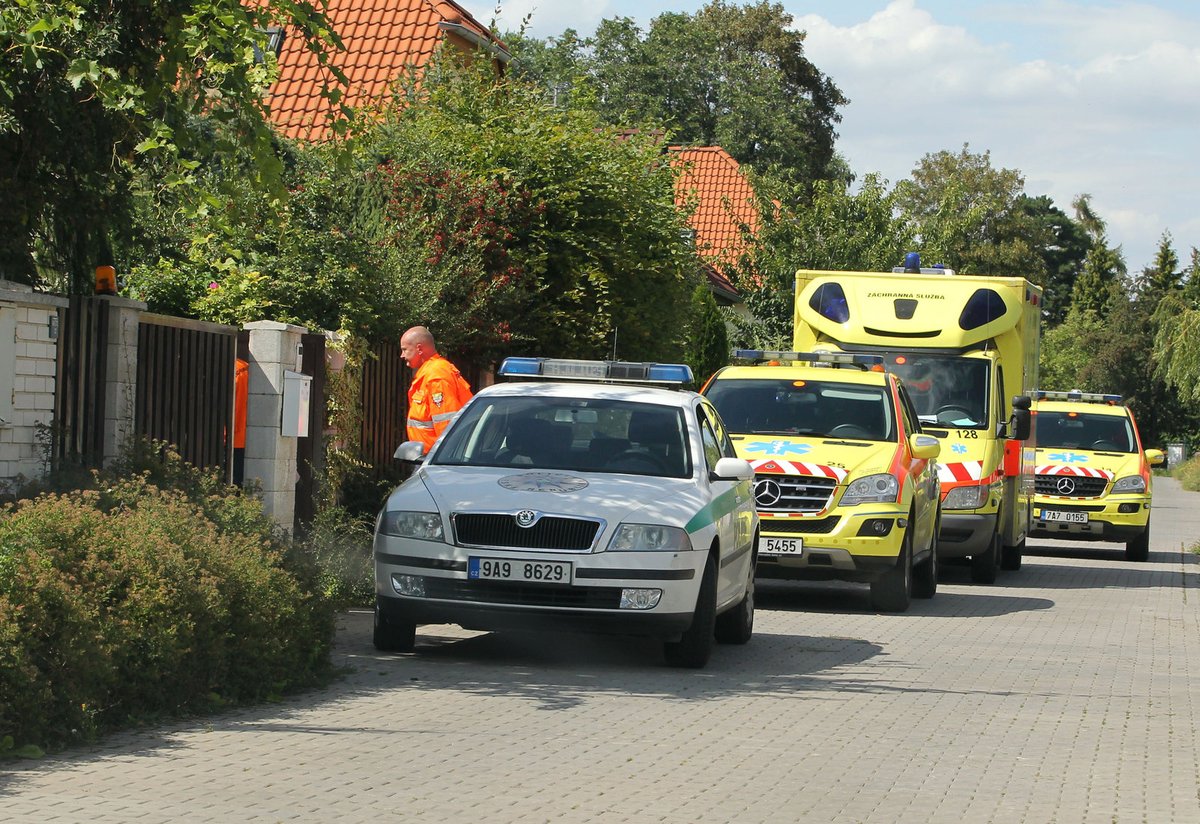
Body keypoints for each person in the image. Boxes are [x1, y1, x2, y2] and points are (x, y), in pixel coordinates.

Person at [401, 326, 473, 449]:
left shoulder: (436, 376)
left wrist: (443, 461)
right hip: (432, 456)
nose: (402, 355)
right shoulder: (431, 372)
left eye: (405, 349)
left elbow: (446, 424)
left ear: (419, 349)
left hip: (437, 458)